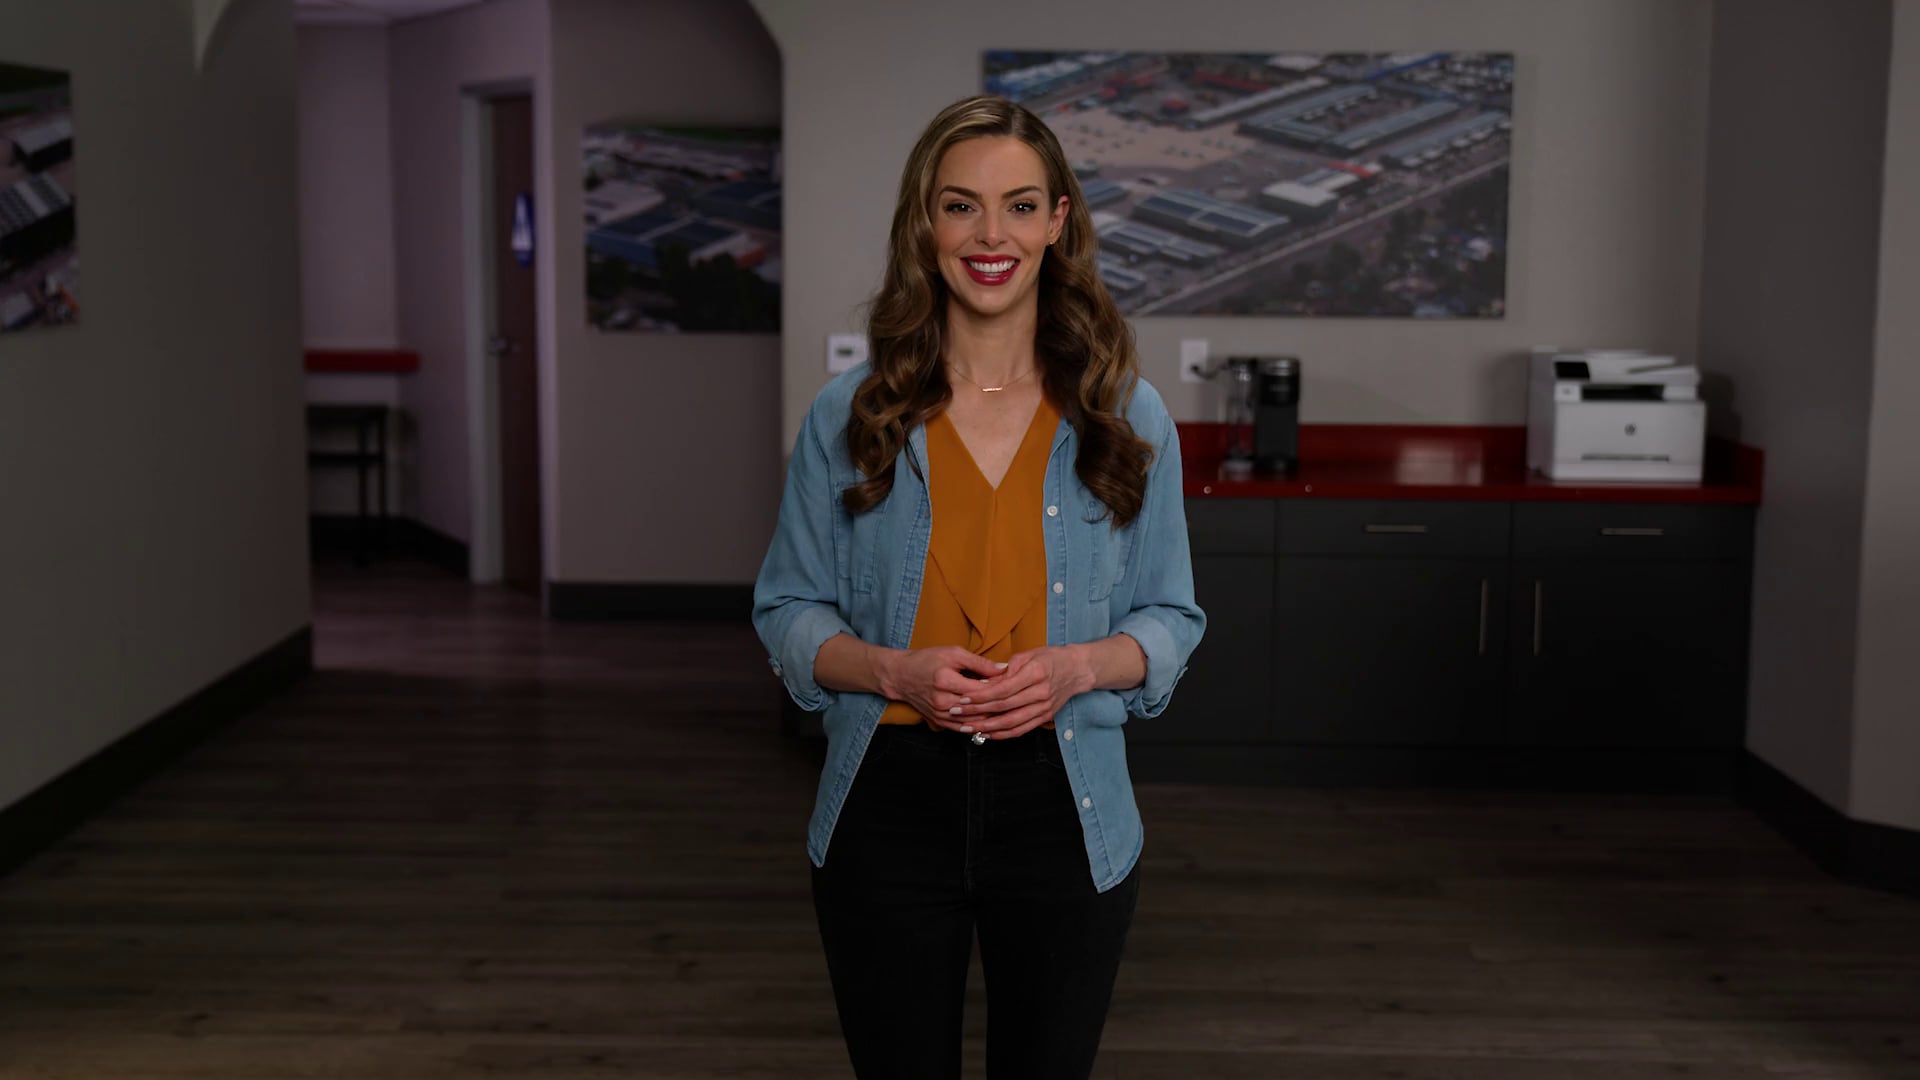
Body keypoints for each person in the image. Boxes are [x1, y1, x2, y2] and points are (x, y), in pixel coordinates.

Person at [751, 94, 1206, 1080]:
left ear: (1058, 221)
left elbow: (1171, 616)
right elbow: (786, 608)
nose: (990, 235)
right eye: (961, 206)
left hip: (1067, 803)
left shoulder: (1127, 416)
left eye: (1019, 206)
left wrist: (1078, 668)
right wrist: (892, 672)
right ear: (926, 223)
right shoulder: (849, 414)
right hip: (887, 798)